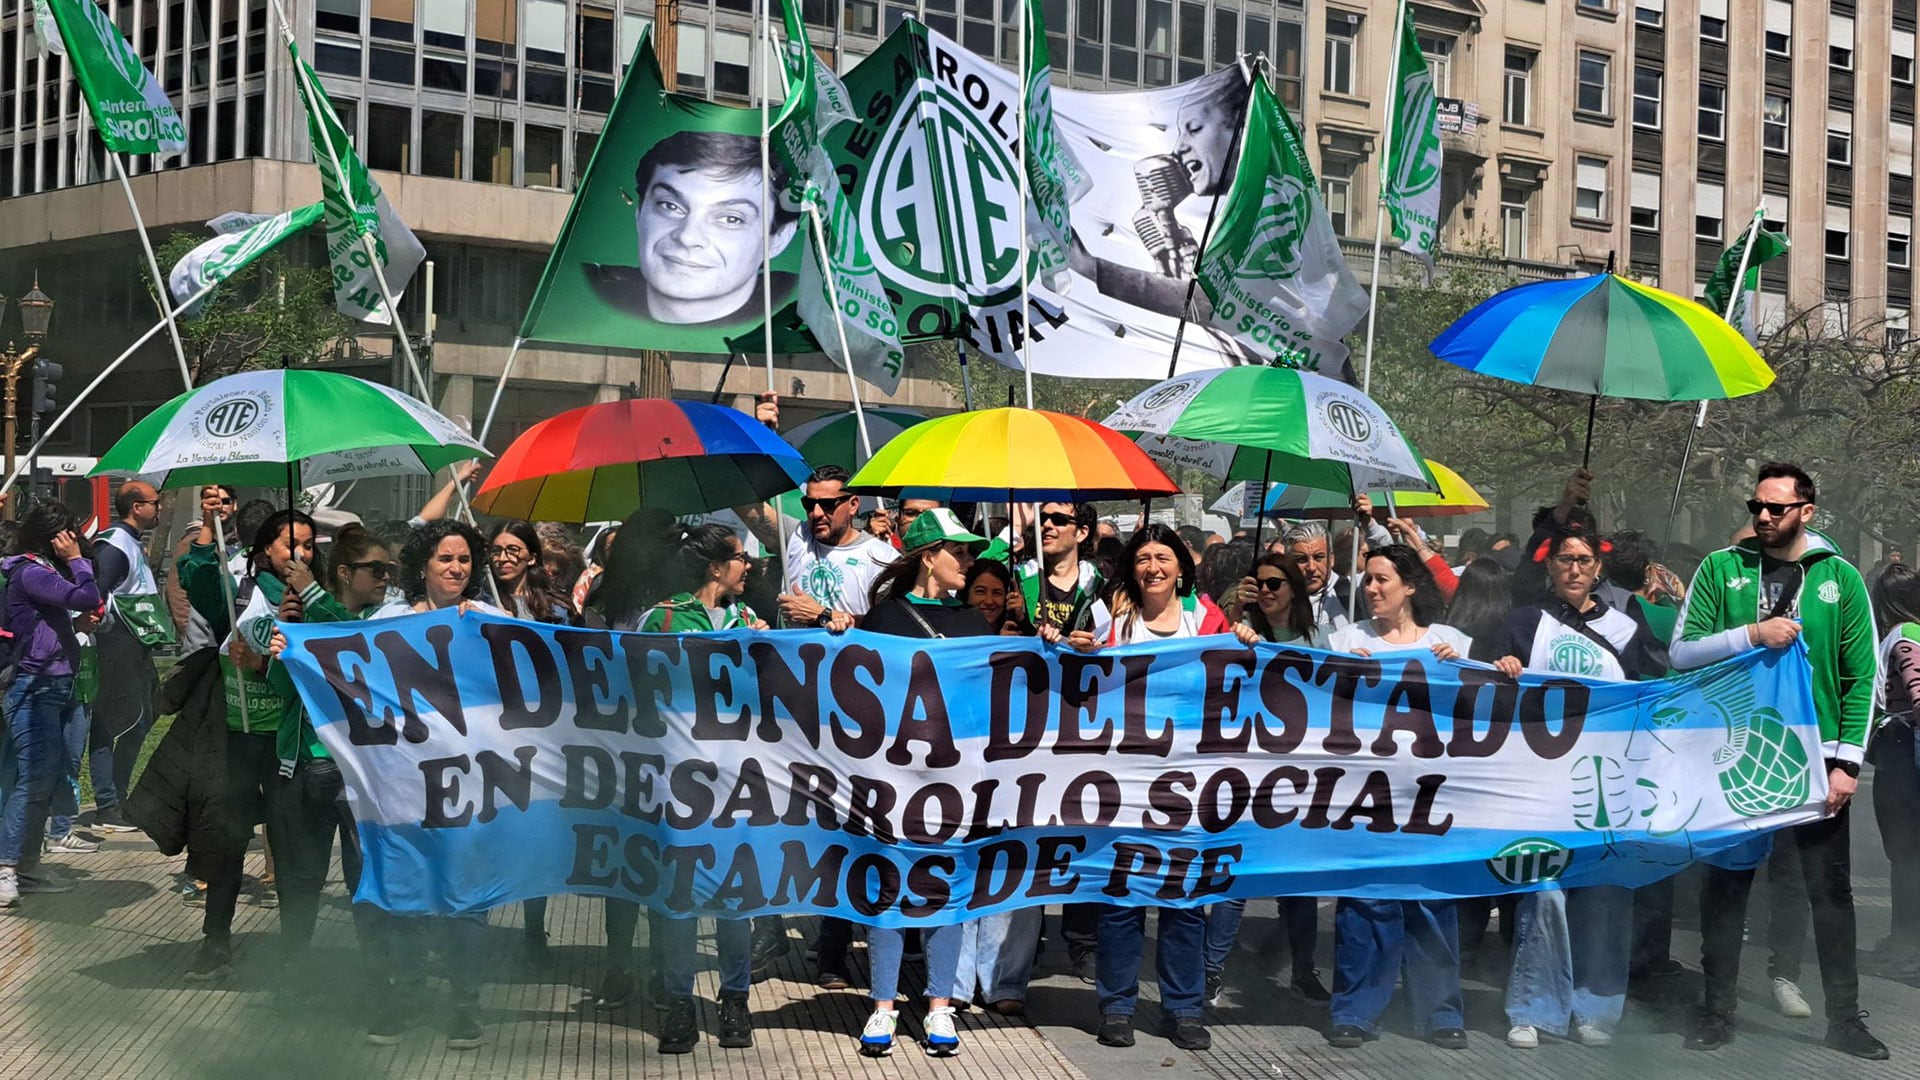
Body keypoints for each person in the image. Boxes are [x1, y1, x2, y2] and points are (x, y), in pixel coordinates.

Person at [1669, 463, 1885, 1059]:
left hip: (1815, 762)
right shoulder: (1720, 567)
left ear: (1807, 512)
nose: (1764, 517)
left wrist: (1846, 765)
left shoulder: (1839, 578)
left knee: (1828, 892)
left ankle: (1846, 1019)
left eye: (1778, 508)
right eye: (1756, 506)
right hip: (1735, 754)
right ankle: (1716, 1012)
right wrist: (1751, 635)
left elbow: (1861, 675)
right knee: (1728, 887)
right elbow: (1682, 653)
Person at [1063, 524, 1258, 1053]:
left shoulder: (1206, 618)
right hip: (1123, 782)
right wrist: (1068, 646)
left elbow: (1239, 674)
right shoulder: (1112, 618)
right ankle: (1118, 1007)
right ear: (1132, 567)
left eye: (1163, 557)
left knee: (1184, 898)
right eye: (1144, 557)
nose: (1153, 566)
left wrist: (1243, 640)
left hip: (1190, 783)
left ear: (1181, 566)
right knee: (1122, 898)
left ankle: (1183, 1008)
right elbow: (1075, 674)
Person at [1491, 529, 1666, 1050]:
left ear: (1598, 569)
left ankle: (1595, 1008)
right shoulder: (1523, 622)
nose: (1573, 567)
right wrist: (1504, 669)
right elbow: (1486, 684)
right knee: (1543, 894)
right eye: (1564, 558)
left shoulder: (1625, 626)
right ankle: (1533, 1006)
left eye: (1583, 560)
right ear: (1550, 566)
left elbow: (1650, 692)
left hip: (1606, 782)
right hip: (1541, 782)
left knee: (1605, 894)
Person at [853, 508, 994, 1058]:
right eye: (956, 552)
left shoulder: (973, 623)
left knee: (945, 889)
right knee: (889, 887)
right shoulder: (882, 619)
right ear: (927, 556)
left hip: (957, 780)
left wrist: (1050, 644)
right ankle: (883, 1006)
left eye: (968, 552)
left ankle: (940, 1008)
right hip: (891, 777)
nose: (967, 561)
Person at [1324, 544, 1469, 1051]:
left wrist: (1471, 667)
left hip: (1433, 795)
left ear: (1410, 586)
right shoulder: (1346, 639)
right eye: (1366, 580)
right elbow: (1317, 707)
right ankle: (1355, 1010)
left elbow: (1487, 701)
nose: (1371, 589)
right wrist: (1338, 669)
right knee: (1366, 900)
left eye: (1382, 579)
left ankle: (1440, 1011)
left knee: (1430, 900)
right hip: (1365, 797)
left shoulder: (1449, 641)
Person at [362, 519, 498, 1050]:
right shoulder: (390, 619)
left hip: (468, 785)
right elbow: (348, 671)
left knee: (466, 898)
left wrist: (484, 633)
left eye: (464, 560)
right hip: (402, 786)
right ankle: (406, 996)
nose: (456, 569)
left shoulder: (487, 618)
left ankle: (465, 1004)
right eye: (445, 559)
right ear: (423, 565)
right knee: (406, 896)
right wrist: (292, 642)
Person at [172, 496, 318, 980]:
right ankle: (215, 944)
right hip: (236, 739)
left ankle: (296, 953)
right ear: (263, 551)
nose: (302, 552)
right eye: (291, 543)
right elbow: (194, 577)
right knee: (228, 845)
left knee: (291, 849)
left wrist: (302, 619)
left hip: (286, 743)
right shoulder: (237, 589)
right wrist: (210, 527)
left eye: (310, 545)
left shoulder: (314, 598)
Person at [635, 523, 767, 1053]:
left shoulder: (751, 620)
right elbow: (630, 688)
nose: (747, 567)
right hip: (677, 785)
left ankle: (736, 999)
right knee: (679, 901)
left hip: (738, 785)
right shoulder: (662, 619)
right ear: (716, 568)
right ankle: (679, 1004)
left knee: (736, 899)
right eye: (739, 558)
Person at [260, 524, 393, 1012]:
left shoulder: (384, 618)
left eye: (391, 570)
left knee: (367, 880)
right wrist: (284, 643)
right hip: (303, 765)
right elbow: (279, 690)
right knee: (300, 880)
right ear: (345, 571)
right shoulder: (308, 616)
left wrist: (313, 596)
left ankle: (376, 983)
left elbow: (361, 648)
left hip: (363, 774)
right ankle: (293, 976)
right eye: (376, 570)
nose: (386, 578)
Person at [1203, 552, 1331, 1010]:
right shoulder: (1239, 629)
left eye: (1276, 583)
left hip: (1302, 776)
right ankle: (1212, 970)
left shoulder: (1319, 636)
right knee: (1237, 878)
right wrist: (1235, 614)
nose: (1268, 591)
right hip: (1248, 775)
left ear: (1294, 589)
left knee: (1298, 883)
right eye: (1259, 583)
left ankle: (1302, 970)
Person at [586, 130, 800, 326]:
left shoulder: (802, 310)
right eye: (670, 206)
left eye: (730, 219)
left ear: (779, 238)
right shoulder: (584, 289)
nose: (687, 236)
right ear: (639, 213)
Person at [0, 500, 101, 904]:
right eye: (70, 534)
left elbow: (49, 621)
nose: (75, 540)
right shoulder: (32, 572)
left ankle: (25, 864)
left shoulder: (34, 572)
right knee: (32, 778)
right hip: (34, 686)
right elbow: (87, 595)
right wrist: (77, 561)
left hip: (52, 683)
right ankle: (7, 867)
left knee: (41, 777)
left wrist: (75, 627)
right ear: (56, 537)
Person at [83, 479, 166, 834]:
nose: (159, 508)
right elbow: (95, 592)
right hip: (117, 646)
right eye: (154, 502)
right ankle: (108, 802)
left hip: (137, 646)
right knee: (113, 722)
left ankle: (116, 796)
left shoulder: (132, 543)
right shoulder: (114, 545)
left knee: (143, 718)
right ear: (136, 507)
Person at [1868, 563, 1920, 979]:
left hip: (1902, 756)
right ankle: (1902, 937)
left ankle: (1908, 944)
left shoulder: (1903, 639)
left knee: (1906, 854)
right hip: (1902, 753)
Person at [488, 520, 574, 623]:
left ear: (532, 558)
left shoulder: (555, 609)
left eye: (513, 550)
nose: (502, 558)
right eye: (496, 550)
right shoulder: (482, 601)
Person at [962, 558, 1023, 635]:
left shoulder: (1013, 630)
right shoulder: (950, 632)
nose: (989, 601)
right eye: (980, 591)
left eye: (997, 593)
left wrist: (1020, 618)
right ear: (965, 593)